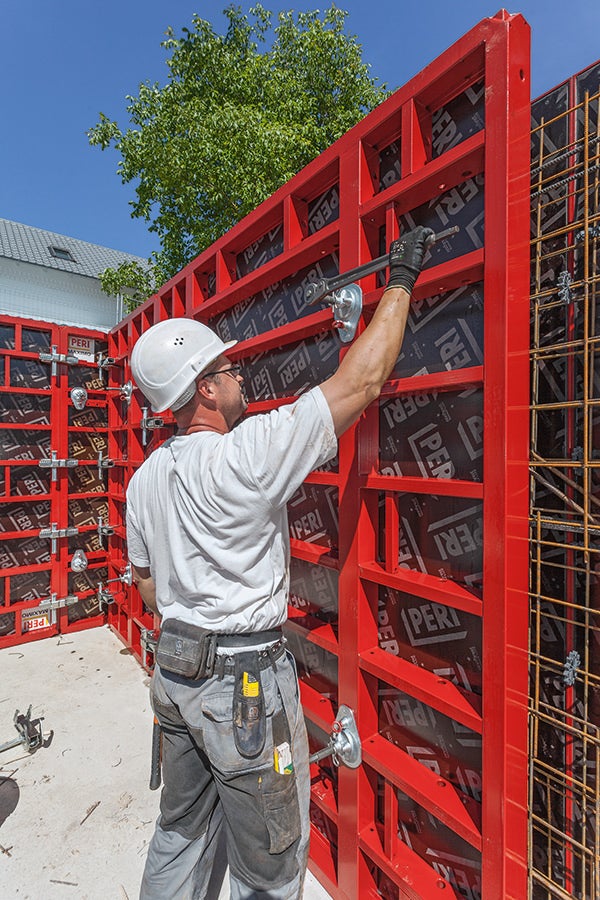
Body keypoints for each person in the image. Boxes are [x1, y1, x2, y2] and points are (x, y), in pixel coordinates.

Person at [126, 225, 433, 900]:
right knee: (270, 868)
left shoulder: (144, 480)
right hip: (243, 687)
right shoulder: (245, 456)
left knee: (179, 831)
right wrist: (404, 280)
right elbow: (363, 380)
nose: (242, 377)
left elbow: (147, 587)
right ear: (203, 390)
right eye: (230, 370)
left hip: (174, 674)